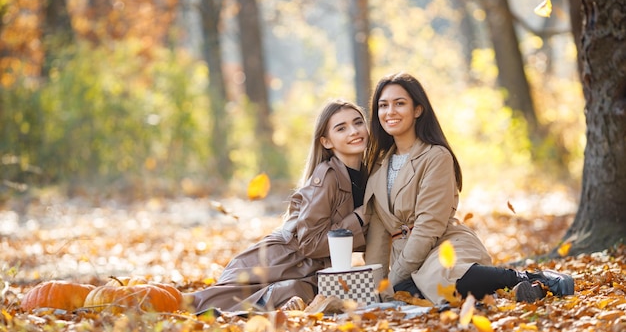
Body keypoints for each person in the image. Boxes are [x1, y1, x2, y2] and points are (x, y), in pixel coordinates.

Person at [362, 72, 574, 304]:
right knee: (407, 292)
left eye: (399, 103)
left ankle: (526, 277)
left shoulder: (435, 156)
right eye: (383, 105)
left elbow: (428, 226)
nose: (390, 111)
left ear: (417, 110)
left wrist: (394, 277)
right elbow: (378, 236)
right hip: (408, 258)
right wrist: (377, 289)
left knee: (438, 279)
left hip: (443, 246)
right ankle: (521, 291)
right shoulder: (377, 167)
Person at [190, 99, 370, 313]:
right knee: (198, 305)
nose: (354, 131)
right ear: (326, 142)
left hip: (306, 270)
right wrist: (359, 219)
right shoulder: (327, 176)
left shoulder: (366, 174)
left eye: (358, 123)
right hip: (277, 261)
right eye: (341, 128)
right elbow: (311, 243)